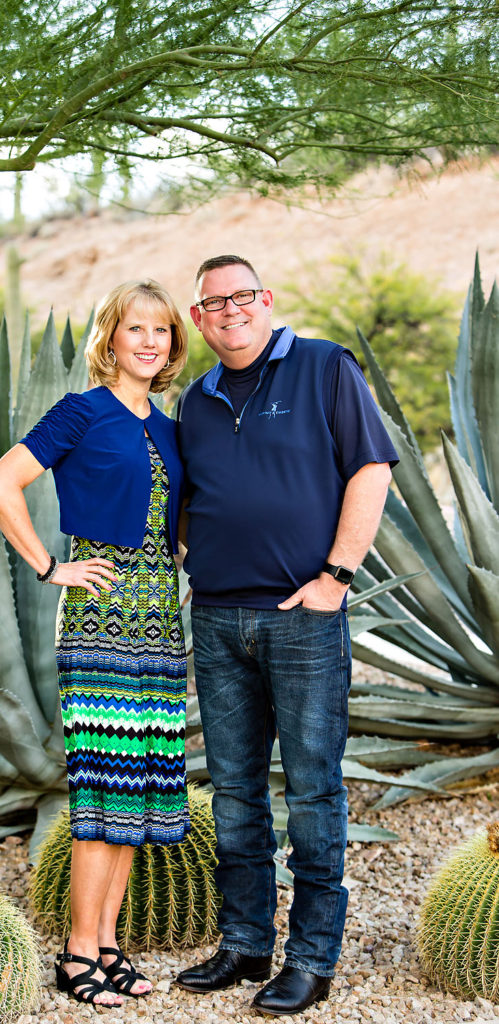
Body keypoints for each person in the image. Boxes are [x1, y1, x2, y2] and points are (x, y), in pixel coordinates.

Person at [175, 255, 398, 1016]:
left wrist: (336, 576)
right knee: (234, 793)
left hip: (302, 618)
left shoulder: (322, 367)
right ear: (199, 318)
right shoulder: (194, 402)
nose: (229, 310)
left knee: (311, 790)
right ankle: (242, 945)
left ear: (264, 300)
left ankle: (310, 958)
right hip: (215, 617)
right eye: (213, 302)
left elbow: (371, 468)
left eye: (241, 296)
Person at [0, 279, 190, 1007]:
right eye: (135, 328)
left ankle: (107, 943)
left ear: (171, 344)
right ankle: (76, 955)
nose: (148, 341)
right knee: (102, 790)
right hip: (100, 619)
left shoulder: (167, 425)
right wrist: (49, 565)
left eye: (160, 331)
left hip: (161, 622)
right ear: (110, 338)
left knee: (134, 794)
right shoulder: (80, 412)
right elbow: (1, 482)